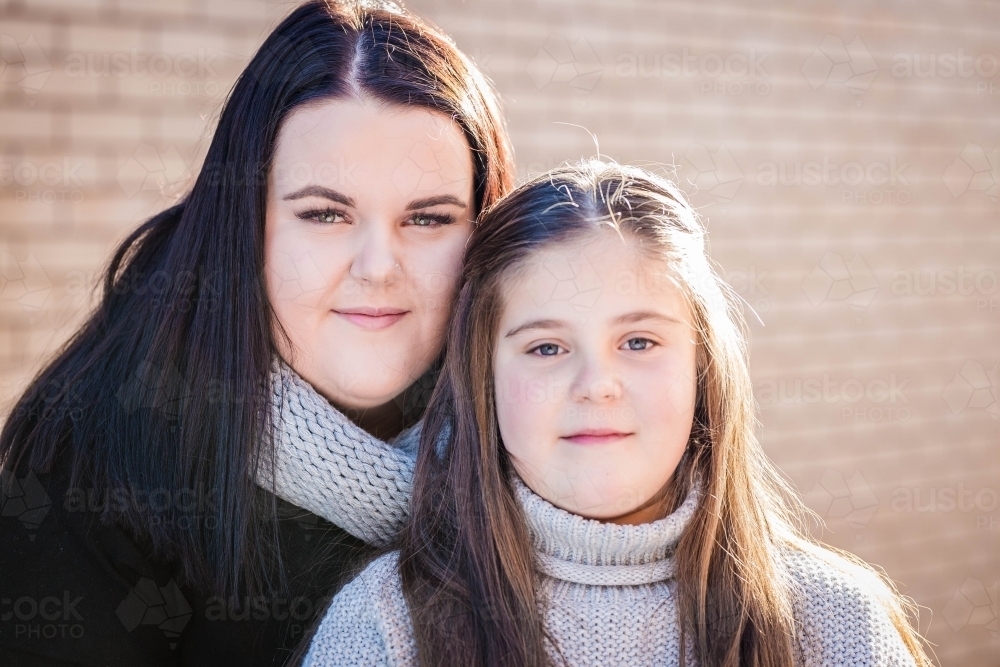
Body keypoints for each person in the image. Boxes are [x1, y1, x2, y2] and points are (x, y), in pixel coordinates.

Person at [0, 1, 512, 665]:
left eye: (429, 219)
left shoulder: (534, 432)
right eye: (326, 213)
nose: (379, 267)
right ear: (245, 225)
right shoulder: (98, 459)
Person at [299, 161, 935, 666]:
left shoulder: (834, 624)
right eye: (546, 347)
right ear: (483, 380)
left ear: (702, 369)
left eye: (639, 342)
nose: (597, 385)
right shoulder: (383, 628)